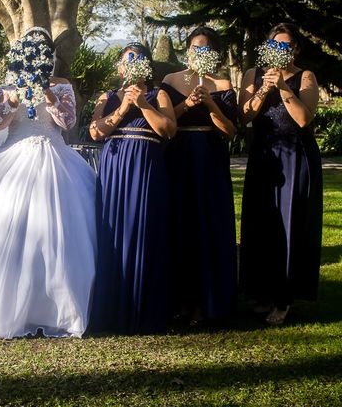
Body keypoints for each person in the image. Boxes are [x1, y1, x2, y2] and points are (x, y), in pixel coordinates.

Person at [0, 27, 96, 339]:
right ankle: (8, 307)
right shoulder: (10, 85)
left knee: (57, 235)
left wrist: (48, 94)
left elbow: (67, 123)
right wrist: (10, 101)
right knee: (1, 230)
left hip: (54, 158)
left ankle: (54, 309)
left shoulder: (62, 86)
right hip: (13, 160)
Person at [88, 42, 176, 334]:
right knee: (112, 230)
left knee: (143, 229)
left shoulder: (158, 93)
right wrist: (124, 105)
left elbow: (168, 130)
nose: (132, 64)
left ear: (146, 67)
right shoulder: (108, 96)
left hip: (145, 166)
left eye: (138, 60)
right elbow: (96, 132)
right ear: (120, 67)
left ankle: (143, 309)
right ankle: (111, 309)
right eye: (127, 60)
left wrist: (142, 104)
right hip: (115, 168)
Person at [239, 23, 322, 325]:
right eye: (275, 45)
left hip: (296, 156)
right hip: (263, 156)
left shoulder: (306, 77)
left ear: (295, 49)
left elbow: (303, 119)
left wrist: (284, 88)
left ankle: (284, 298)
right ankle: (262, 292)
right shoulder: (252, 74)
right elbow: (245, 115)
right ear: (267, 47)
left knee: (289, 224)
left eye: (286, 46)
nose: (280, 51)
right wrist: (264, 88)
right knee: (261, 223)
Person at [160, 26, 238, 327]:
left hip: (208, 157)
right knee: (178, 224)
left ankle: (206, 301)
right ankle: (177, 299)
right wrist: (187, 103)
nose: (198, 53)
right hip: (177, 156)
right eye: (194, 48)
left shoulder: (222, 83)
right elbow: (165, 121)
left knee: (207, 225)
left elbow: (229, 131)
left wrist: (210, 102)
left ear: (214, 54)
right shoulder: (170, 80)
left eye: (204, 49)